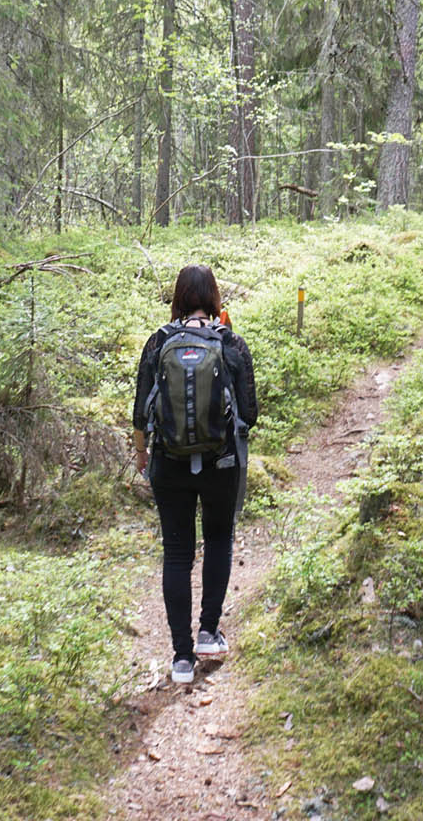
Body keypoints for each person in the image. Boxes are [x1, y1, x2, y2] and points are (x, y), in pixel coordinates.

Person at [133, 264, 258, 685]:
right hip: (221, 463)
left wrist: (140, 454)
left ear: (178, 297)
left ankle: (182, 658)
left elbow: (139, 410)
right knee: (219, 539)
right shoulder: (231, 342)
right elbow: (251, 413)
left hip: (168, 463)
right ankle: (208, 632)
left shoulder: (159, 342)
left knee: (177, 553)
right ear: (214, 298)